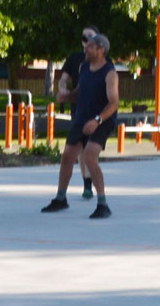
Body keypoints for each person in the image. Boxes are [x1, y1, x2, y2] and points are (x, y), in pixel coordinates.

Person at [42, 33, 118, 219]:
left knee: (89, 157)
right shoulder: (83, 67)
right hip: (81, 118)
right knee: (67, 156)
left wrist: (97, 121)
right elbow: (79, 92)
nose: (85, 49)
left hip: (101, 121)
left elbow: (114, 103)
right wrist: (67, 96)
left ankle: (102, 204)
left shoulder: (110, 73)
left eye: (90, 47)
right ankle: (61, 199)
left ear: (101, 50)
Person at [57, 25, 99, 199]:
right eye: (84, 37)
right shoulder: (74, 59)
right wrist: (63, 89)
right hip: (79, 109)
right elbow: (63, 80)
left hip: (97, 109)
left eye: (90, 37)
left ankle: (96, 185)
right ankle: (87, 184)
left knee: (92, 148)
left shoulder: (102, 59)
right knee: (81, 148)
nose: (87, 41)